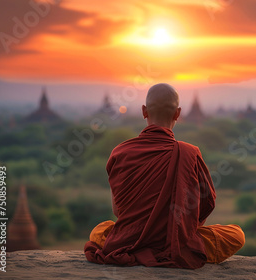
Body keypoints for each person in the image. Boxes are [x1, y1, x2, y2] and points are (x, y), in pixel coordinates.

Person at [84, 83, 245, 269]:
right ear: (178, 113)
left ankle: (149, 245)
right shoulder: (189, 153)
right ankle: (174, 245)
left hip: (128, 239)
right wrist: (180, 228)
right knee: (236, 234)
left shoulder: (119, 152)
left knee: (100, 230)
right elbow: (205, 205)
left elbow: (118, 211)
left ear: (144, 111)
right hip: (177, 241)